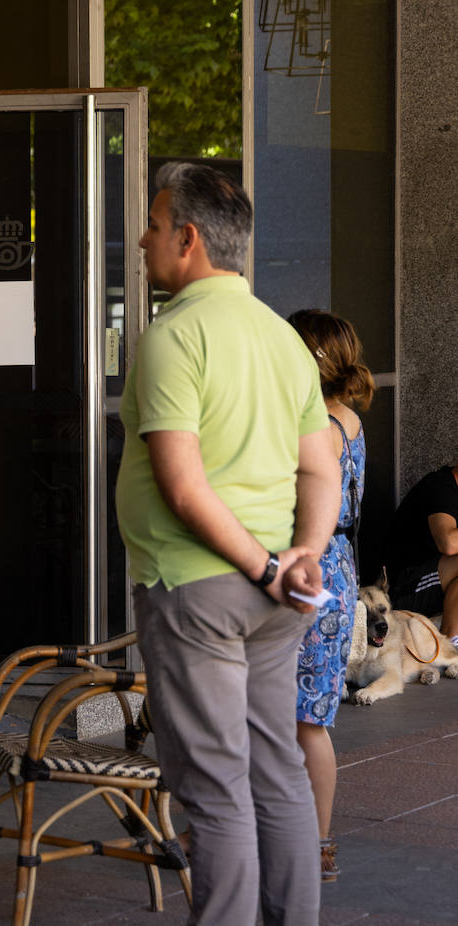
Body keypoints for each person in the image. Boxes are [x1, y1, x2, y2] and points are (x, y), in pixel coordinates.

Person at [115, 162, 341, 925]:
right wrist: (302, 556)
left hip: (200, 590)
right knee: (276, 772)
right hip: (278, 594)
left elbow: (182, 487)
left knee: (213, 790)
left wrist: (270, 564)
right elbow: (322, 468)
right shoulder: (283, 340)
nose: (141, 239)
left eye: (152, 225)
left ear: (187, 239)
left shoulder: (172, 337)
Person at [289, 309, 373, 883]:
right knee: (308, 720)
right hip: (338, 568)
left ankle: (313, 842)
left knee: (298, 723)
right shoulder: (350, 418)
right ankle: (315, 842)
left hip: (309, 570)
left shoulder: (312, 420)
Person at [383, 462, 458, 643]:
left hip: (437, 583)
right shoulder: (441, 486)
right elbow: (448, 543)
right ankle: (452, 644)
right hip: (403, 590)